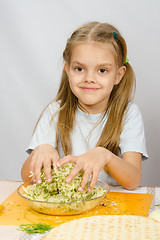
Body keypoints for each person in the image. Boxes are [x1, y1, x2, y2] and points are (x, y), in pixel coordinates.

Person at [21, 21, 148, 191]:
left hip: (110, 205)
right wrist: (40, 150)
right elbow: (25, 177)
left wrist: (106, 156)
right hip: (66, 205)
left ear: (118, 75)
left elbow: (133, 180)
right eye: (79, 68)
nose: (89, 78)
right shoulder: (55, 112)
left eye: (102, 70)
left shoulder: (128, 114)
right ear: (68, 70)